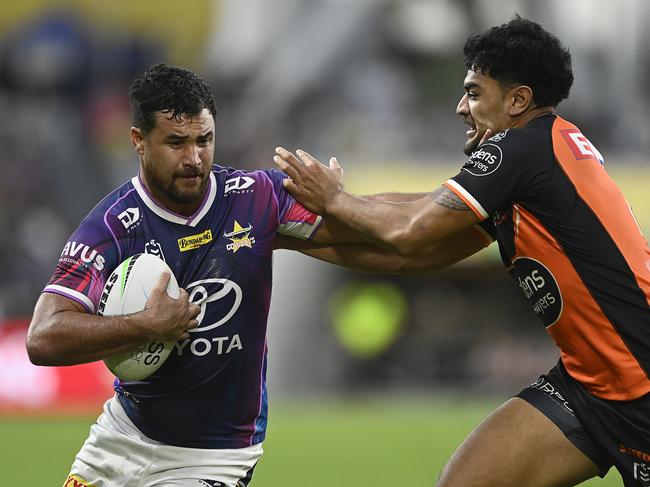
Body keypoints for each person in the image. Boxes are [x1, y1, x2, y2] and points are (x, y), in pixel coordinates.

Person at [274, 16, 650, 487]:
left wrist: (332, 199)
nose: (459, 107)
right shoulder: (539, 154)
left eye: (474, 93)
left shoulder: (521, 148)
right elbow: (412, 253)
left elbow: (409, 230)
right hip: (589, 384)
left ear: (518, 100)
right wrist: (282, 232)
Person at [26, 62, 364, 487]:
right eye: (176, 142)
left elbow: (380, 234)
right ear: (139, 141)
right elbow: (42, 338)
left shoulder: (256, 199)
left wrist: (345, 203)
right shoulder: (112, 226)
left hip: (213, 457)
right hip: (121, 439)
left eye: (204, 140)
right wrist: (144, 325)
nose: (194, 158)